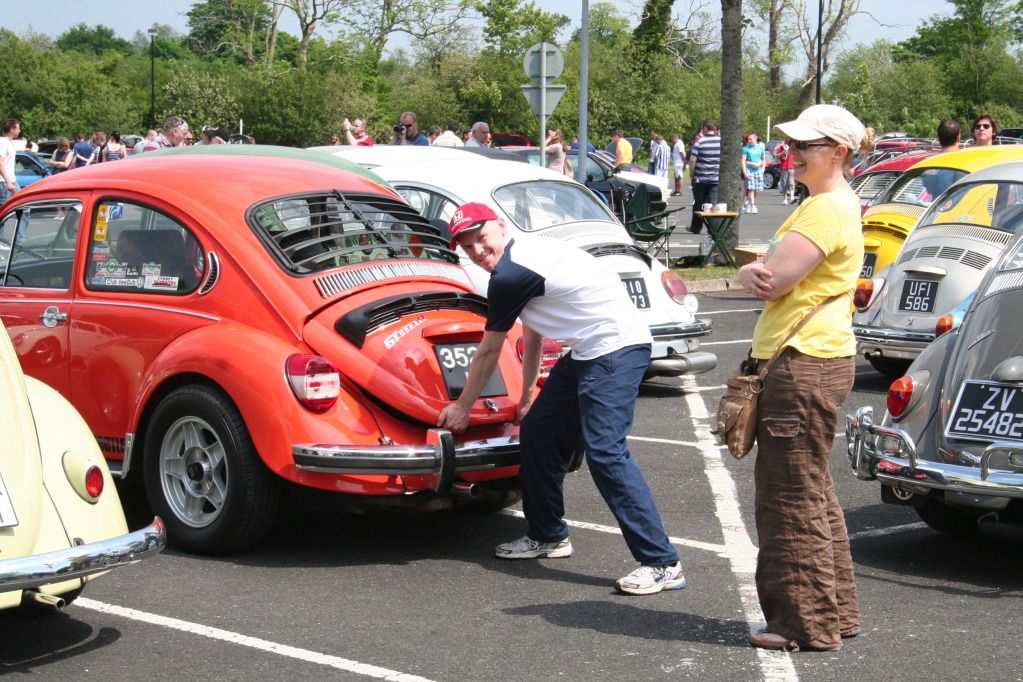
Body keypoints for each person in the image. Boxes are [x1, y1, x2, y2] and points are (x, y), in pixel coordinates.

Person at [437, 202, 685, 596]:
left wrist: (463, 406)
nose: (478, 251)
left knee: (606, 450)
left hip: (616, 348)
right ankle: (548, 535)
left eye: (482, 239)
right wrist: (527, 394)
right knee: (537, 430)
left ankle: (661, 562)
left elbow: (488, 351)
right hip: (587, 351)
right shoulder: (526, 255)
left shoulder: (513, 272)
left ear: (499, 227)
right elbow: (535, 329)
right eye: (468, 247)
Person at [736, 103, 867, 653]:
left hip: (802, 362)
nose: (791, 155)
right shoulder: (835, 203)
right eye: (790, 146)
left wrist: (747, 271)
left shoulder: (823, 210)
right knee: (812, 492)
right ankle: (835, 614)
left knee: (789, 499)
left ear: (838, 152)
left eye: (804, 148)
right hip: (816, 358)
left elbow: (774, 280)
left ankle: (803, 624)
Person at [686, 121, 721, 234]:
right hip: (715, 178)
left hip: (700, 178)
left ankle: (696, 227)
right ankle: (713, 229)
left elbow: (692, 160)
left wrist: (692, 174)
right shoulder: (720, 141)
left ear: (705, 129)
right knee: (713, 204)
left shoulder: (700, 142)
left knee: (699, 203)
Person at [741, 131, 766, 214]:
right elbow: (743, 161)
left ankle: (748, 203)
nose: (749, 141)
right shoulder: (745, 149)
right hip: (749, 171)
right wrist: (745, 172)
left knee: (756, 189)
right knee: (751, 189)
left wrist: (762, 168)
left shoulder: (761, 148)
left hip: (758, 171)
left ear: (755, 138)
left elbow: (763, 159)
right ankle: (752, 205)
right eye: (748, 140)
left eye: (751, 139)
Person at [0, 118, 20, 204]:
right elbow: (0, 163)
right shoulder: (3, 142)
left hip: (12, 180)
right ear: (12, 129)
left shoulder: (10, 143)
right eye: (18, 128)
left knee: (23, 206)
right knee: (3, 210)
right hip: (4, 182)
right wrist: (8, 182)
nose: (19, 131)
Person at [775, 140, 796, 205]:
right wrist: (783, 152)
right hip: (784, 167)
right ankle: (785, 198)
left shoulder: (794, 145)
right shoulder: (782, 145)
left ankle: (792, 197)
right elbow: (776, 156)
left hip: (792, 166)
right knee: (784, 183)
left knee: (791, 182)